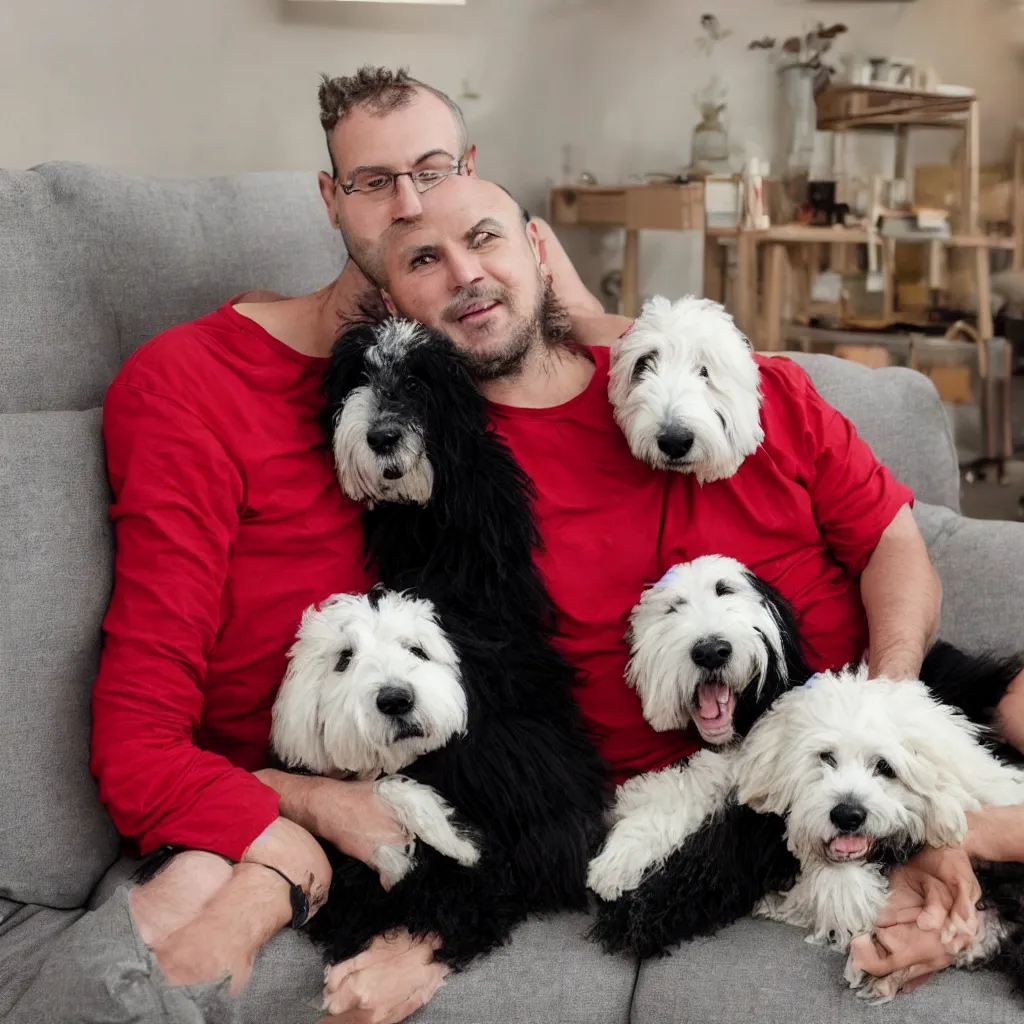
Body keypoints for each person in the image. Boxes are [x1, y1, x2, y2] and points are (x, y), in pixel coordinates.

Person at [8, 69, 602, 1024]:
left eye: (433, 171)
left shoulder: (473, 357)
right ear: (331, 201)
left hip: (442, 760)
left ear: (473, 178)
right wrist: (300, 809)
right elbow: (139, 743)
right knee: (173, 929)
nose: (409, 205)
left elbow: (591, 348)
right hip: (254, 779)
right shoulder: (191, 385)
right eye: (372, 182)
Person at [367, 172, 1024, 1000]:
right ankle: (960, 851)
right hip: (738, 782)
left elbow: (894, 544)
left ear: (538, 252)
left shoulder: (767, 389)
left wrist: (881, 718)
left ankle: (964, 840)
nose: (465, 273)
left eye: (486, 239)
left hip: (873, 699)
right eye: (426, 258)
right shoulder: (459, 470)